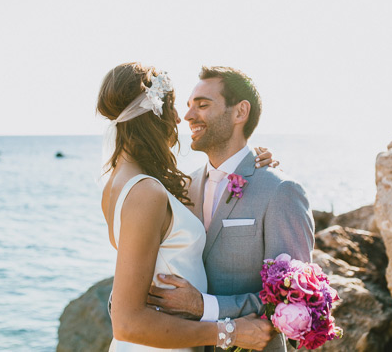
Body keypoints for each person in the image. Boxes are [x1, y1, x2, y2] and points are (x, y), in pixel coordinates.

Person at [97, 62, 275, 352]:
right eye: (172, 107)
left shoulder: (118, 183)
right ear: (152, 113)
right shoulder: (145, 192)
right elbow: (127, 322)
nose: (179, 119)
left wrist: (250, 165)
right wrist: (231, 332)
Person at [147, 66, 315, 352]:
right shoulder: (185, 188)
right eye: (189, 106)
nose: (187, 116)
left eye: (202, 105)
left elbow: (295, 300)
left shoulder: (280, 191)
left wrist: (204, 306)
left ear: (240, 112)